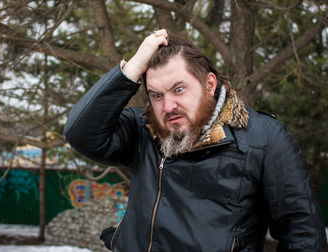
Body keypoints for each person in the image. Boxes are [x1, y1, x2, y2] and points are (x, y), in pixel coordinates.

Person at [64, 29, 326, 251]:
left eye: (179, 89)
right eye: (156, 95)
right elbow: (80, 133)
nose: (168, 106)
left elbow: (303, 235)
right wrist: (131, 68)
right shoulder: (143, 130)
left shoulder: (263, 138)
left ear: (209, 84)